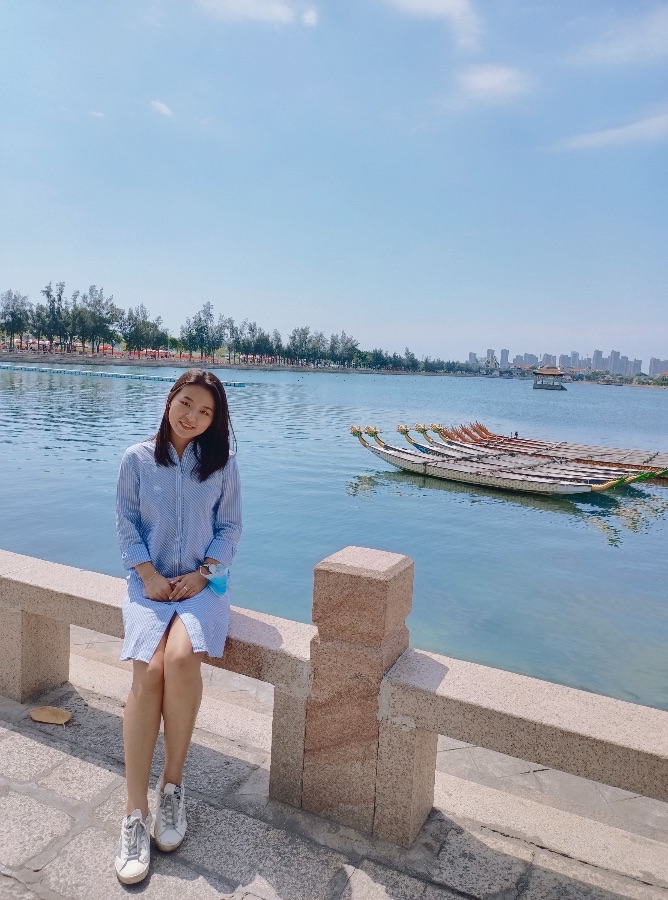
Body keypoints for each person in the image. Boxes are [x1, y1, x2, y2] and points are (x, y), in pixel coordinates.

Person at [114, 369, 242, 884]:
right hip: (147, 583)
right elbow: (125, 523)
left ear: (215, 421)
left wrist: (203, 573)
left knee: (181, 658)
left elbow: (230, 527)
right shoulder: (136, 459)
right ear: (171, 400)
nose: (192, 416)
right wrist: (147, 574)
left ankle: (172, 788)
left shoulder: (222, 465)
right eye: (186, 403)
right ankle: (134, 811)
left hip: (203, 585)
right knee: (148, 671)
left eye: (205, 411)